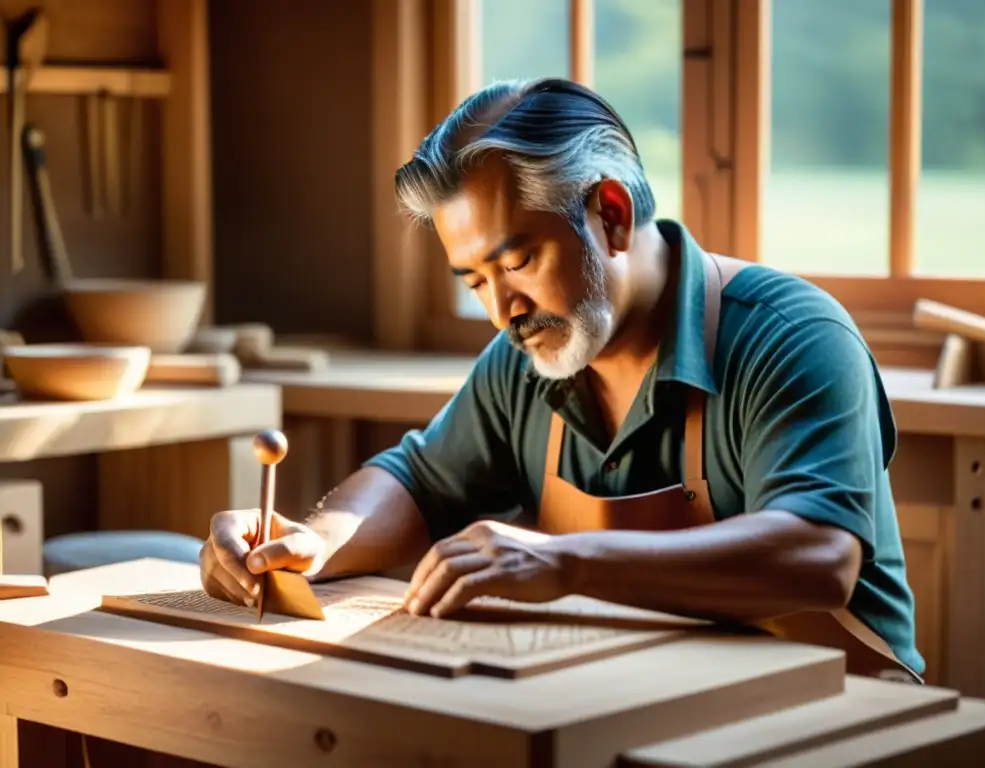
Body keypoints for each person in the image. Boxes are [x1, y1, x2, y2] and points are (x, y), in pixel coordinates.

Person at [199, 77, 924, 681]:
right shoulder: (528, 358)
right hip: (634, 704)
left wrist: (565, 559)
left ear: (610, 214)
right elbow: (418, 480)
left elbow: (818, 558)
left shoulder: (790, 336)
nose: (502, 311)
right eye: (474, 280)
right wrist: (313, 540)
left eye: (516, 264)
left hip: (835, 719)